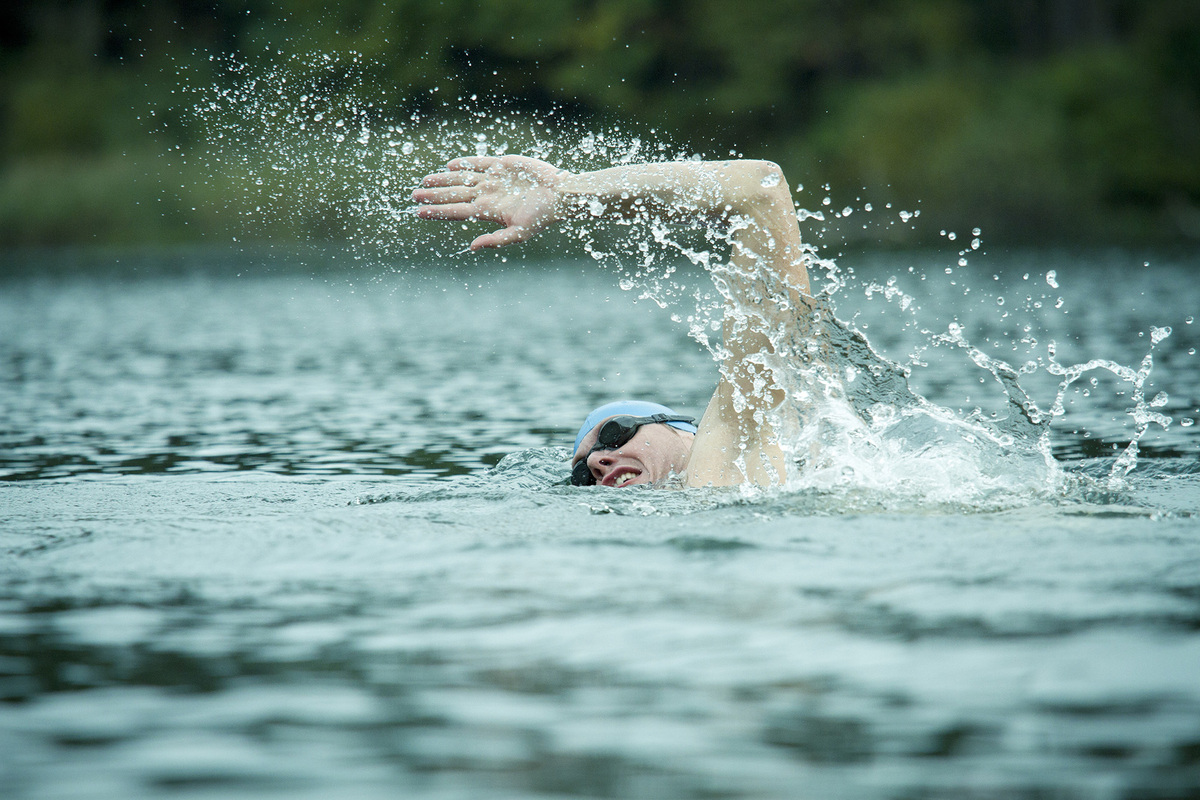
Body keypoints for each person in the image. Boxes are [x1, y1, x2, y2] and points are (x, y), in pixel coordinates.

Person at [412, 155, 817, 488]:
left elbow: (760, 187)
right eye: (582, 472)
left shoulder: (736, 452)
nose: (600, 462)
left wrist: (566, 193)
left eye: (614, 433)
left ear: (682, 431)